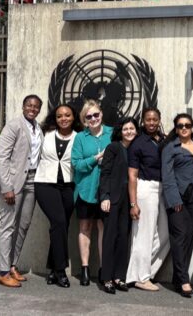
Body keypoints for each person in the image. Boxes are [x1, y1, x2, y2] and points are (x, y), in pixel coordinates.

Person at [0, 94, 44, 288]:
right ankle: (3, 272)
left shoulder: (37, 128)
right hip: (13, 183)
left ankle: (12, 264)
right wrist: (7, 187)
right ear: (23, 106)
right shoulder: (13, 126)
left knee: (23, 225)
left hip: (32, 181)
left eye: (36, 106)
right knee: (8, 226)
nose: (32, 108)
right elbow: (2, 157)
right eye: (29, 105)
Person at [34, 103, 82, 288]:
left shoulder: (79, 137)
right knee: (60, 222)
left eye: (67, 115)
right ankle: (61, 271)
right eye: (60, 116)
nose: (64, 118)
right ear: (55, 118)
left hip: (69, 186)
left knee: (60, 226)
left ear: (73, 117)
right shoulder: (45, 135)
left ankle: (52, 269)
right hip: (45, 184)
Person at [161, 113, 193, 297]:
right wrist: (174, 200)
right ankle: (184, 280)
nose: (184, 128)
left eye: (187, 125)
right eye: (180, 126)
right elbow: (167, 176)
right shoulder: (170, 148)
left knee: (189, 238)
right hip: (178, 200)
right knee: (179, 238)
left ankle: (179, 277)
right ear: (176, 128)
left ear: (192, 127)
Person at [126, 107, 169, 291]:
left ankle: (142, 271)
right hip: (145, 188)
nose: (151, 123)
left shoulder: (164, 140)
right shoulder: (138, 143)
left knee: (165, 235)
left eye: (154, 119)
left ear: (159, 120)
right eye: (148, 120)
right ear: (143, 121)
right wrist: (133, 203)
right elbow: (132, 176)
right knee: (143, 235)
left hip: (162, 189)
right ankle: (140, 277)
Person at [71, 99, 113, 286]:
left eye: (96, 114)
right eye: (89, 116)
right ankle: (85, 268)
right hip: (85, 190)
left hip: (105, 191)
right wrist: (96, 158)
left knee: (103, 229)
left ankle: (105, 269)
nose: (93, 118)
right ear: (84, 120)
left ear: (101, 114)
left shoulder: (112, 133)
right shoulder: (80, 137)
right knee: (85, 228)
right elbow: (77, 164)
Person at [99, 117, 138, 294]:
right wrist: (104, 196)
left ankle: (118, 277)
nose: (129, 131)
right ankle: (106, 278)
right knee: (110, 238)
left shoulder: (135, 149)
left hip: (127, 201)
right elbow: (105, 173)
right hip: (112, 199)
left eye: (132, 128)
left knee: (124, 238)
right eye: (125, 129)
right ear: (120, 132)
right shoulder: (114, 147)